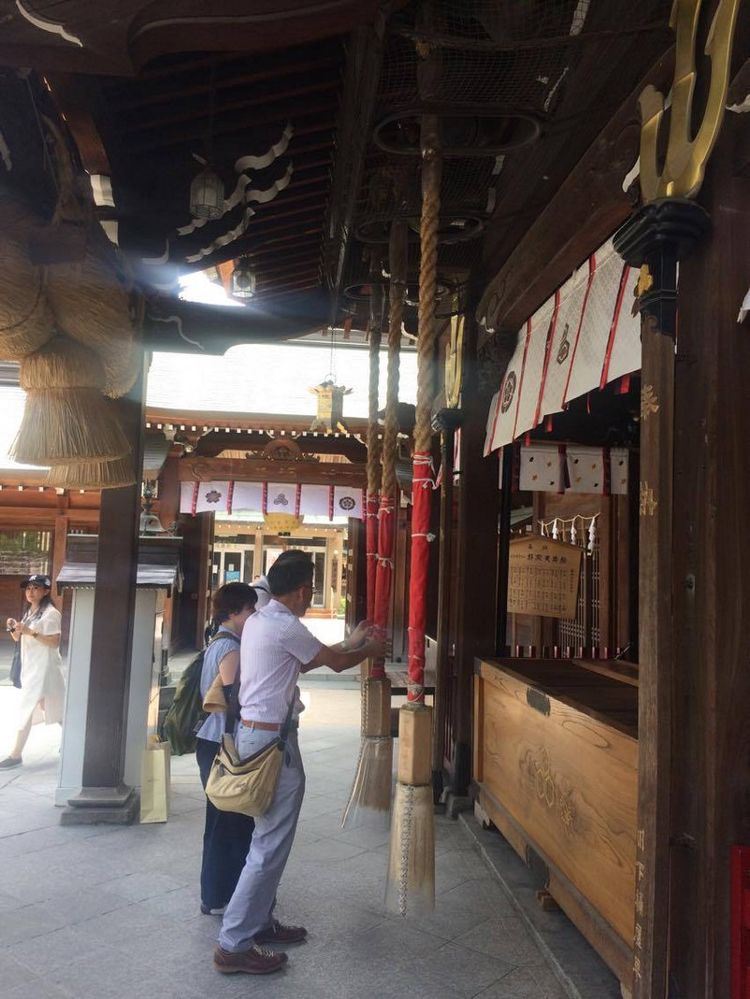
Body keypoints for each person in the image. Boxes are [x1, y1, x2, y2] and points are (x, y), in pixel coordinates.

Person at [213, 552, 386, 976]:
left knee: (267, 838)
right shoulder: (284, 623)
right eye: (310, 589)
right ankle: (234, 943)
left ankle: (256, 922)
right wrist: (370, 649)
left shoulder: (260, 620)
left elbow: (309, 658)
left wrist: (354, 641)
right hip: (271, 741)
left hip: (260, 734)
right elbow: (337, 663)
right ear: (305, 589)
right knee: (269, 842)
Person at [196, 582, 258, 916]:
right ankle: (224, 896)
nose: (253, 615)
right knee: (230, 821)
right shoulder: (230, 647)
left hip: (210, 741)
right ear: (234, 612)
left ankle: (214, 894)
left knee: (219, 820)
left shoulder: (217, 640)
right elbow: (234, 700)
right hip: (223, 743)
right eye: (250, 609)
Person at [1, 574, 65, 770]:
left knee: (27, 708)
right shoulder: (31, 611)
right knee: (55, 708)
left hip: (44, 668)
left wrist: (31, 632)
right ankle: (76, 741)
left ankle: (16, 754)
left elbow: (54, 642)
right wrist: (13, 628)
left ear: (46, 591)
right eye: (28, 588)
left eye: (36, 588)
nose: (31, 592)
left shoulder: (51, 613)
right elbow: (18, 638)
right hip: (32, 667)